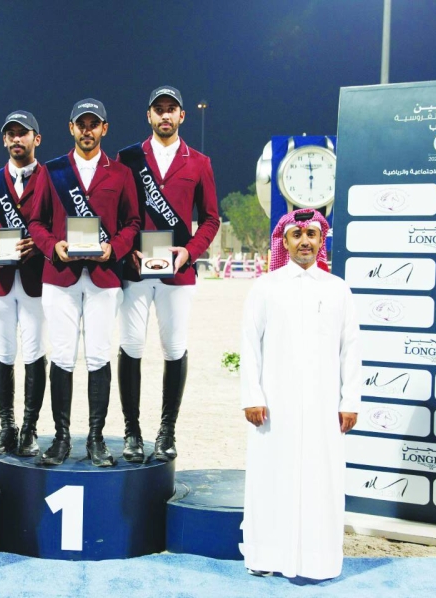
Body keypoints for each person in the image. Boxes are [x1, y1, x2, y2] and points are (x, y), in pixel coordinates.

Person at [239, 208, 361, 580]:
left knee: (321, 481)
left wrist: (350, 400)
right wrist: (252, 395)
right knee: (270, 477)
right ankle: (266, 556)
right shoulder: (265, 287)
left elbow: (350, 348)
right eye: (297, 235)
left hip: (324, 406)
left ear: (321, 241)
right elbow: (250, 345)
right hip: (274, 407)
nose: (304, 242)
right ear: (285, 242)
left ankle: (317, 562)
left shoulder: (337, 288)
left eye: (311, 235)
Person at [28, 98, 141, 467]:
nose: (88, 130)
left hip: (104, 278)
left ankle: (95, 438)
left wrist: (115, 248)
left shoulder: (121, 173)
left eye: (94, 124)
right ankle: (61, 438)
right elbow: (36, 223)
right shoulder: (52, 170)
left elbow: (132, 223)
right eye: (82, 124)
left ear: (104, 128)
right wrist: (52, 246)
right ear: (71, 128)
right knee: (62, 355)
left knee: (98, 355)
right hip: (60, 276)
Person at [115, 85, 219, 463]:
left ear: (181, 116)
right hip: (135, 270)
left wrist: (189, 252)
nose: (165, 115)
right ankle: (132, 431)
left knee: (174, 348)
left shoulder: (200, 162)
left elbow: (211, 219)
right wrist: (125, 249)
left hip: (177, 272)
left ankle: (167, 431)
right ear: (149, 115)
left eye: (171, 109)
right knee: (131, 346)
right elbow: (114, 212)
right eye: (158, 109)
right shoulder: (127, 158)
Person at [0, 110, 48, 457]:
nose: (17, 139)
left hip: (36, 280)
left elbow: (59, 226)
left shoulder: (51, 178)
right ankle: (7, 426)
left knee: (34, 353)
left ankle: (29, 428)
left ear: (36, 139)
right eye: (11, 134)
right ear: (4, 140)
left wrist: (40, 244)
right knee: (3, 354)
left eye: (23, 133)